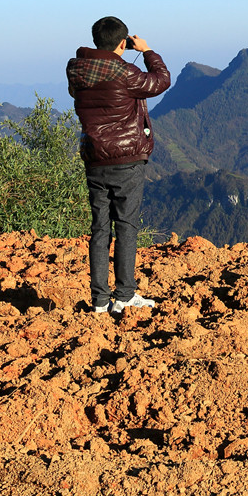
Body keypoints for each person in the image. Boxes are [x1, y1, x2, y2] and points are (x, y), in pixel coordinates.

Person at [66, 16, 171, 313]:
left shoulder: (77, 71)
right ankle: (124, 295)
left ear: (96, 39)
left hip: (94, 158)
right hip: (126, 160)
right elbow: (161, 81)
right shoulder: (125, 73)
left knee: (100, 228)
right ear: (123, 43)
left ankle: (99, 301)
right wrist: (148, 50)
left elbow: (81, 94)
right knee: (126, 225)